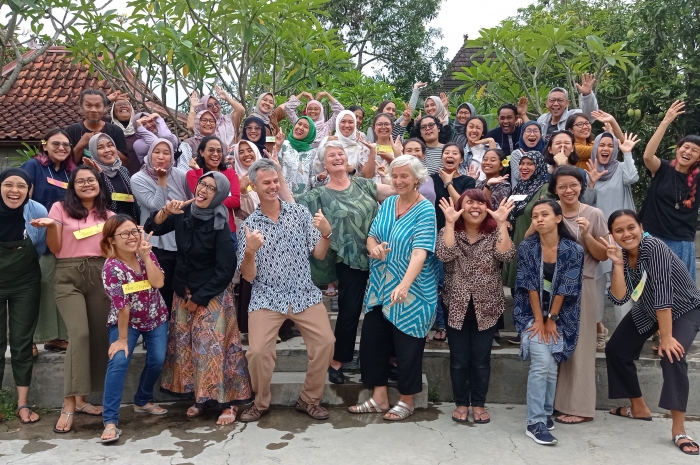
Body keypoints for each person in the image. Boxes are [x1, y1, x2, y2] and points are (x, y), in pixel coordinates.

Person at [145, 171, 252, 425]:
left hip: (212, 295)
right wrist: (166, 212)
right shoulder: (184, 215)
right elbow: (153, 227)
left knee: (214, 349)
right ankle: (202, 399)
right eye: (202, 184)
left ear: (220, 196)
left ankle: (230, 403)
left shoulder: (220, 226)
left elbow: (225, 270)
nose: (203, 190)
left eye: (211, 188)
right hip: (183, 292)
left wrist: (200, 298)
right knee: (189, 348)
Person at [237, 159, 336, 422]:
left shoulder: (300, 213)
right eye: (266, 182)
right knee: (257, 352)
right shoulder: (248, 226)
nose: (272, 186)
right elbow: (248, 275)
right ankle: (260, 402)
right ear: (254, 187)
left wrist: (326, 234)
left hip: (304, 292)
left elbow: (318, 253)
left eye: (275, 181)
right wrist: (250, 251)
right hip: (266, 296)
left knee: (326, 342)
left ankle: (309, 399)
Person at [296, 141, 395, 384]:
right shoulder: (318, 194)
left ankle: (388, 359)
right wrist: (276, 170)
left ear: (347, 159)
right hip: (349, 259)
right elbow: (292, 204)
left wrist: (397, 160)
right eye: (332, 155)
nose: (337, 158)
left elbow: (396, 191)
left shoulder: (363, 184)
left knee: (384, 310)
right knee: (350, 311)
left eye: (341, 153)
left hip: (382, 256)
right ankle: (337, 361)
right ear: (324, 163)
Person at [603, 210, 700, 456]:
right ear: (612, 235)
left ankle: (679, 429)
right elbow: (619, 296)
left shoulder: (653, 247)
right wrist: (616, 264)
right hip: (648, 308)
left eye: (630, 227)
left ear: (640, 226)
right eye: (619, 230)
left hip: (683, 308)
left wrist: (666, 337)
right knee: (616, 349)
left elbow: (664, 295)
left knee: (672, 355)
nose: (626, 234)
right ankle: (639, 408)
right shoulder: (622, 254)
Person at [349, 155, 437, 421]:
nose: (398, 181)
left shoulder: (425, 210)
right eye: (395, 176)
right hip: (380, 287)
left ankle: (407, 401)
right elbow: (372, 235)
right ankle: (379, 398)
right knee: (374, 342)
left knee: (407, 347)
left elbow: (420, 253)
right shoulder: (388, 204)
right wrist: (373, 248)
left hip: (414, 291)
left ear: (416, 180)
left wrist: (405, 285)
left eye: (404, 177)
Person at [31, 165, 114, 433]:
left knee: (98, 337)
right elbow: (55, 248)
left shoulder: (108, 215)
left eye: (91, 180)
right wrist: (50, 226)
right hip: (68, 275)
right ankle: (68, 405)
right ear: (73, 186)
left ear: (99, 184)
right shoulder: (59, 209)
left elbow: (113, 251)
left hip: (100, 275)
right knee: (78, 335)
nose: (87, 184)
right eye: (81, 181)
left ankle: (82, 400)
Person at [436, 191, 515, 423]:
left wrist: (501, 223)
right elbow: (444, 253)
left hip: (487, 306)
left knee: (481, 359)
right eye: (469, 201)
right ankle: (461, 402)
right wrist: (449, 223)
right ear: (461, 206)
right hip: (456, 304)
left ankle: (478, 404)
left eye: (481, 202)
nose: (475, 206)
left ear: (487, 207)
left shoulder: (494, 232)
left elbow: (507, 255)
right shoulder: (449, 231)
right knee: (459, 359)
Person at [537, 167, 607, 425]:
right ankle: (556, 402)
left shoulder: (594, 214)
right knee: (556, 345)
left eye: (574, 185)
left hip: (583, 285)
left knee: (580, 347)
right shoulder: (549, 211)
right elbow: (529, 241)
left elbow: (602, 254)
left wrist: (587, 234)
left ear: (581, 186)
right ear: (554, 188)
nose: (568, 190)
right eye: (563, 186)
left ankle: (580, 406)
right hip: (550, 286)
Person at [513, 199, 584, 445]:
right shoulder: (527, 247)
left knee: (552, 365)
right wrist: (539, 320)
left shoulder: (574, 250)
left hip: (562, 315)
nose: (539, 219)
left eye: (545, 214)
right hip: (529, 314)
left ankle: (544, 411)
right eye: (535, 216)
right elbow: (530, 285)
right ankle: (535, 423)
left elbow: (566, 286)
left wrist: (551, 319)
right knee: (542, 362)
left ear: (558, 218)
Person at [99, 216, 169, 443]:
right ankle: (110, 420)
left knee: (157, 359)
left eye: (134, 232)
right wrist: (121, 340)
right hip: (126, 321)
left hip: (155, 316)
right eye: (124, 234)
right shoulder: (112, 267)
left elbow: (158, 283)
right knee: (119, 360)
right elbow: (123, 307)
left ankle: (142, 400)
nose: (131, 237)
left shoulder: (146, 253)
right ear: (112, 239)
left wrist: (147, 256)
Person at [0, 168, 46, 424]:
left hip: (26, 283)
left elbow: (40, 246)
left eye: (21, 186)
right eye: (8, 184)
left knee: (21, 343)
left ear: (29, 190)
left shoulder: (37, 211)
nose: (14, 190)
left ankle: (22, 403)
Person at [22, 129, 74, 353]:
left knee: (56, 286)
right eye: (56, 143)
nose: (62, 148)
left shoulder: (69, 173)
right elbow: (24, 200)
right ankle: (28, 339)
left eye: (66, 144)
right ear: (45, 145)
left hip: (61, 240)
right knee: (33, 288)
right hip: (34, 239)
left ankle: (54, 337)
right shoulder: (33, 167)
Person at [638, 100, 700, 281]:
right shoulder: (662, 169)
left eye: (695, 150)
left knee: (679, 295)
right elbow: (648, 156)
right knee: (651, 292)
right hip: (651, 237)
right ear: (678, 149)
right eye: (685, 147)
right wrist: (665, 122)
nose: (688, 151)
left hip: (680, 242)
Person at [130, 138, 192, 312]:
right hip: (156, 241)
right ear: (150, 154)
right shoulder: (138, 178)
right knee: (159, 290)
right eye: (157, 152)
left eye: (166, 153)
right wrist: (161, 179)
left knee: (177, 291)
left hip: (180, 239)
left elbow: (191, 200)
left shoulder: (180, 174)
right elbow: (156, 207)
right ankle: (157, 332)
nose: (161, 156)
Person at [587, 132, 640, 328]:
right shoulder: (589, 171)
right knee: (597, 284)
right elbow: (584, 205)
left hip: (623, 236)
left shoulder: (621, 169)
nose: (606, 149)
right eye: (602, 145)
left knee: (622, 284)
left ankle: (623, 333)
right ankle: (597, 329)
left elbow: (633, 178)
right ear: (596, 148)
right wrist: (591, 183)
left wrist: (627, 154)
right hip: (599, 236)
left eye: (610, 145)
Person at [431, 143, 476, 341]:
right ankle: (441, 324)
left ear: (461, 158)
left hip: (461, 238)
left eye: (454, 153)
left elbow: (464, 208)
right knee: (437, 282)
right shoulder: (431, 180)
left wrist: (449, 183)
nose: (450, 156)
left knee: (453, 283)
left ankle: (452, 325)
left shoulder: (467, 181)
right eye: (446, 153)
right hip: (434, 235)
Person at [502, 151, 551, 291]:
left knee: (534, 293)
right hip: (516, 246)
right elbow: (511, 213)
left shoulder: (545, 189)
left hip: (534, 250)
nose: (524, 167)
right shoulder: (519, 188)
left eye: (530, 164)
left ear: (539, 166)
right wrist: (507, 220)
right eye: (522, 163)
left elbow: (546, 218)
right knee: (517, 293)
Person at [186, 136, 241, 244]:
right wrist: (198, 171)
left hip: (228, 229)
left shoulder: (229, 173)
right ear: (201, 152)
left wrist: (211, 198)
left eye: (219, 151)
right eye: (211, 150)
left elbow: (236, 200)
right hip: (203, 230)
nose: (216, 154)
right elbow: (200, 199)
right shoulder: (193, 174)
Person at [64, 89, 128, 166]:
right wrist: (81, 144)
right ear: (81, 107)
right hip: (83, 177)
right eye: (88, 105)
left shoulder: (115, 130)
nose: (93, 110)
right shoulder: (71, 131)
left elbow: (124, 162)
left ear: (104, 107)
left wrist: (107, 144)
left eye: (98, 106)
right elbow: (67, 164)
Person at [82, 133, 139, 219]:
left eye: (110, 145)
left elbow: (133, 199)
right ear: (93, 151)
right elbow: (102, 201)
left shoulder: (123, 170)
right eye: (100, 147)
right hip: (108, 225)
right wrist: (100, 173)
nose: (107, 150)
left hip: (131, 221)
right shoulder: (91, 175)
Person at [277, 116, 320, 195]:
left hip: (303, 200)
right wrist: (277, 147)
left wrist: (319, 178)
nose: (300, 127)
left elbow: (312, 179)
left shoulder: (313, 153)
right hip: (281, 197)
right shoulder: (283, 144)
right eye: (299, 124)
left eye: (306, 127)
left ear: (310, 132)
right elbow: (273, 167)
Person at [331, 110, 371, 177]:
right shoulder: (329, 145)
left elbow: (365, 176)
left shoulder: (359, 150)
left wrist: (352, 171)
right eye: (343, 121)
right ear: (338, 123)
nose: (347, 125)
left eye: (351, 122)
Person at [458, 116, 499, 180]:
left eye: (478, 128)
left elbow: (498, 165)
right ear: (466, 130)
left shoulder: (492, 145)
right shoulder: (462, 152)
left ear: (483, 132)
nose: (474, 130)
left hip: (492, 185)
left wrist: (490, 140)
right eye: (471, 127)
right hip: (472, 186)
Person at [109, 98, 141, 175]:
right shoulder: (109, 131)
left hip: (143, 177)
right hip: (119, 176)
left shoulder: (141, 129)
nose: (123, 106)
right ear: (113, 112)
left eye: (126, 104)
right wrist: (108, 100)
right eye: (119, 105)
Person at [510, 121, 546, 187]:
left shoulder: (546, 152)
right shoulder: (516, 154)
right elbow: (519, 176)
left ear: (540, 135)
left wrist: (534, 156)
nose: (532, 134)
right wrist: (528, 157)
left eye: (536, 131)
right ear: (522, 134)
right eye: (528, 131)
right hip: (520, 194)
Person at [401, 138, 436, 203]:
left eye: (417, 150)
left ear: (423, 155)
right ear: (402, 154)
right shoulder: (397, 176)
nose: (413, 153)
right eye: (409, 150)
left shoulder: (429, 179)